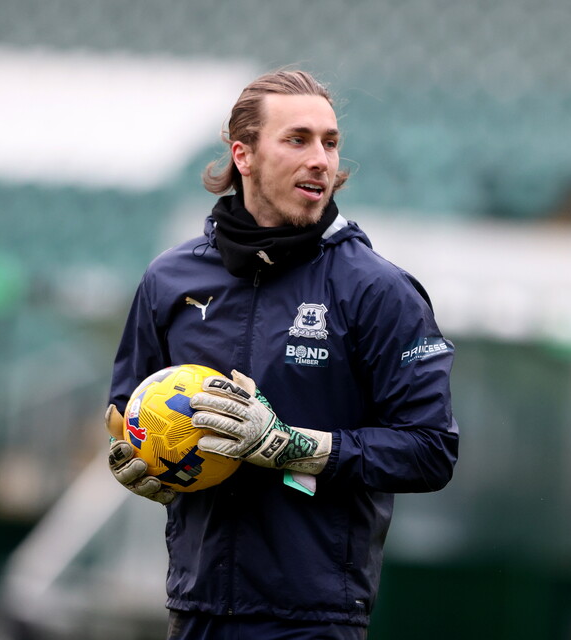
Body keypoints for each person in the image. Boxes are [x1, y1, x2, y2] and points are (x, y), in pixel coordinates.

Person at [105, 69, 458, 640]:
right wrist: (147, 467)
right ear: (243, 156)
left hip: (313, 622)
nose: (321, 159)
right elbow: (129, 412)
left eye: (330, 141)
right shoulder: (169, 280)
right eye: (298, 139)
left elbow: (431, 450)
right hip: (195, 612)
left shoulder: (378, 290)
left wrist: (291, 447)